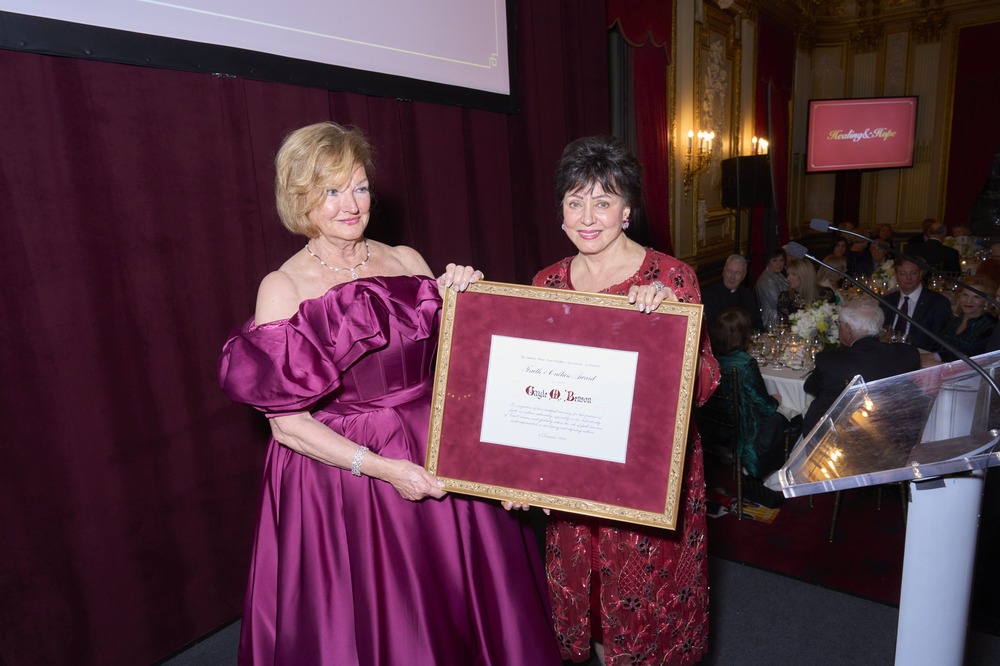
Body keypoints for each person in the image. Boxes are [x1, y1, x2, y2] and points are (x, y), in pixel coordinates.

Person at [218, 122, 562, 665]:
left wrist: (467, 298)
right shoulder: (282, 287)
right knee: (389, 622)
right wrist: (382, 468)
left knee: (467, 609)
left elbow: (462, 368)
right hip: (350, 482)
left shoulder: (407, 259)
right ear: (300, 199)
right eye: (331, 192)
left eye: (359, 186)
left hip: (441, 450)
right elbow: (287, 425)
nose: (351, 204)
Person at [531, 135, 720, 665]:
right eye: (575, 201)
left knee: (648, 611)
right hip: (573, 479)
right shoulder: (546, 283)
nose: (588, 216)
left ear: (628, 210)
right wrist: (524, 469)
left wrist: (666, 331)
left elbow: (705, 384)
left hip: (646, 484)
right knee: (587, 601)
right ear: (561, 212)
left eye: (603, 201)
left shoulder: (671, 278)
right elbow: (533, 392)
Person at [802, 298, 921, 433]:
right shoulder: (907, 353)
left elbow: (810, 387)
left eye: (839, 323)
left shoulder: (830, 360)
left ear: (848, 329)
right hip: (890, 431)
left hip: (836, 434)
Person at [701, 307, 788, 480]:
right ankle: (772, 473)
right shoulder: (745, 364)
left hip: (712, 425)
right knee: (785, 418)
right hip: (741, 430)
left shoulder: (708, 358)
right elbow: (765, 406)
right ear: (743, 334)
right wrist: (775, 400)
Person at [879, 257, 953, 351]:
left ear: (921, 274)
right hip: (887, 353)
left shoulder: (938, 303)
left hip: (920, 355)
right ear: (896, 276)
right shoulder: (888, 300)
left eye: (913, 273)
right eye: (903, 274)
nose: (908, 278)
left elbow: (937, 342)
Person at [937, 274, 998, 362]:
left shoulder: (989, 326)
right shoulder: (954, 318)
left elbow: (973, 355)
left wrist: (936, 357)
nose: (968, 301)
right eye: (965, 295)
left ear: (986, 301)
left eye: (976, 297)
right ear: (959, 296)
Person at [701, 253, 765, 331]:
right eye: (729, 271)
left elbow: (757, 325)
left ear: (743, 276)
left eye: (737, 273)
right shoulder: (709, 296)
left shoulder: (748, 295)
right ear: (723, 272)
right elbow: (707, 330)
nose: (732, 277)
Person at [755, 247, 788, 329]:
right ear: (768, 261)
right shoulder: (767, 279)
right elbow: (776, 302)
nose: (779, 264)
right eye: (775, 260)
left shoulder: (778, 275)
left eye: (781, 260)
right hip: (773, 319)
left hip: (781, 315)